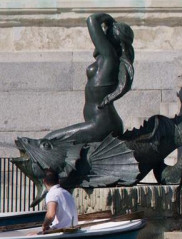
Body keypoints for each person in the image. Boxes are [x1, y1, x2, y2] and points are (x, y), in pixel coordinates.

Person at [43, 12, 134, 144]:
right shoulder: (106, 59)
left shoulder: (110, 58)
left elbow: (91, 20)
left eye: (105, 32)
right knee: (52, 141)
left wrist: (109, 19)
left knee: (49, 140)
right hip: (99, 122)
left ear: (112, 39)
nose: (101, 34)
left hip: (101, 124)